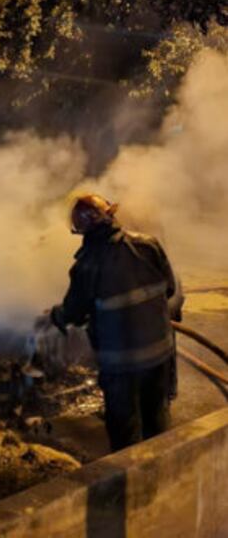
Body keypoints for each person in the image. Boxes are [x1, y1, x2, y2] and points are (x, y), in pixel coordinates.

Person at [47, 193, 182, 451]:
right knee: (158, 422)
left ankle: (133, 485)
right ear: (111, 215)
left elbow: (72, 313)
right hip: (160, 355)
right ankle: (164, 476)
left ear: (82, 230)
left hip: (121, 364)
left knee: (125, 433)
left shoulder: (86, 265)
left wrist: (54, 316)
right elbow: (169, 289)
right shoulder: (148, 244)